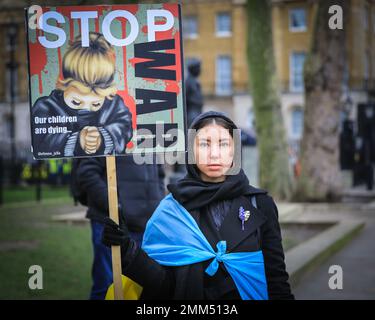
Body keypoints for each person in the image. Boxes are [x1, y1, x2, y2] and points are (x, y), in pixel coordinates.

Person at [102, 111, 294, 300]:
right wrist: (128, 250)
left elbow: (276, 279)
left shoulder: (260, 204)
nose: (214, 154)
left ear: (234, 149)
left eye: (223, 143)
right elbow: (163, 287)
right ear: (191, 150)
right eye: (204, 144)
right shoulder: (172, 209)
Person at [76, 155, 165, 300]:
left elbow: (159, 173)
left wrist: (157, 202)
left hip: (146, 227)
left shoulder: (149, 133)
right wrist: (116, 206)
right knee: (106, 287)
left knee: (143, 288)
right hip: (112, 226)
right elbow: (87, 172)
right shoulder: (103, 132)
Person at [31, 32, 133, 158]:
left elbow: (124, 127)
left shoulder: (113, 104)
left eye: (96, 104)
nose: (86, 108)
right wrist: (78, 140)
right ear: (63, 87)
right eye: (76, 102)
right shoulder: (46, 107)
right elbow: (41, 142)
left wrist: (102, 137)